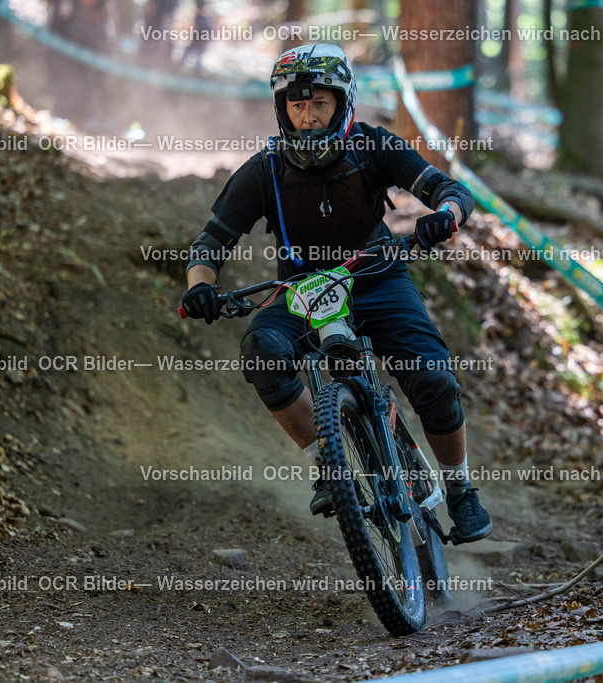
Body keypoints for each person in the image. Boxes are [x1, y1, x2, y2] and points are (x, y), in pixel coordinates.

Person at [180, 44, 491, 543]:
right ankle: (329, 465)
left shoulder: (373, 145)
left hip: (377, 277)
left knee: (434, 379)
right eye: (297, 105)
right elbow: (210, 243)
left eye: (319, 103)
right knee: (261, 352)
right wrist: (200, 287)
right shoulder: (266, 168)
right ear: (282, 109)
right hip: (300, 292)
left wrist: (444, 218)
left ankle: (460, 490)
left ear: (342, 103)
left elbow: (452, 192)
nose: (307, 117)